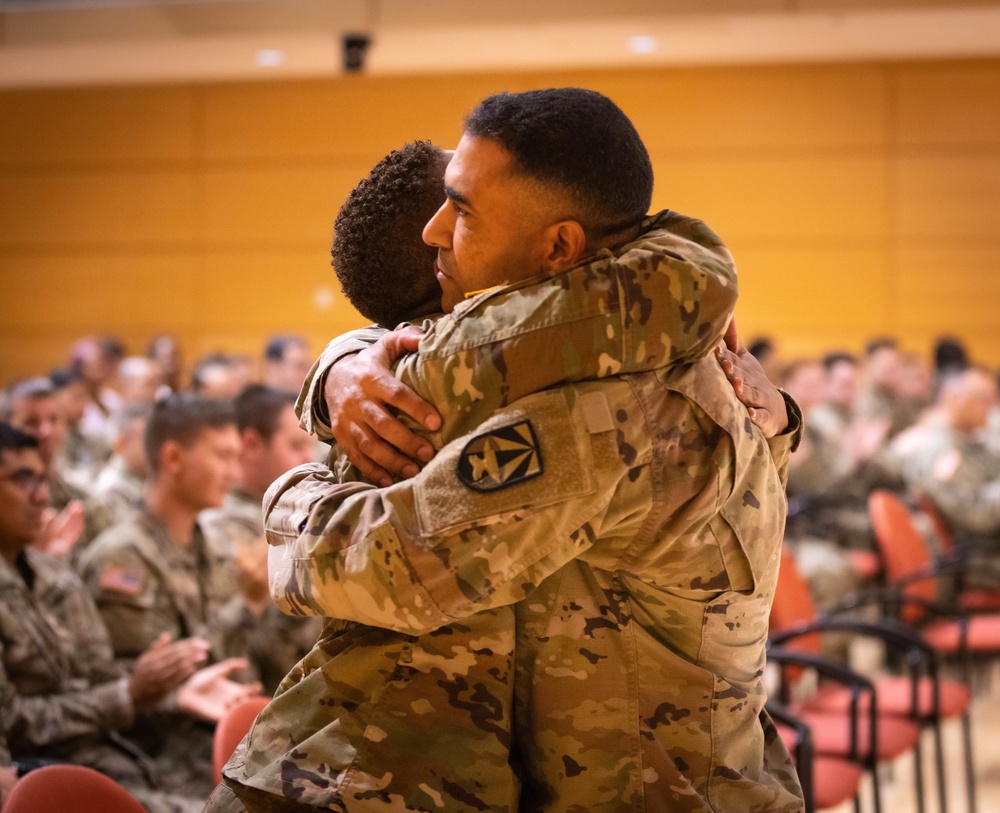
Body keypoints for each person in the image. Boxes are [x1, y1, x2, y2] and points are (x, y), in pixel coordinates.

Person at [221, 89, 802, 812]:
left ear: (558, 247)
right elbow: (454, 339)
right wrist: (341, 363)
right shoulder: (650, 334)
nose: (437, 230)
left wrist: (288, 494)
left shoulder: (605, 407)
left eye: (461, 209)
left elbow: (392, 567)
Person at [0, 423, 253, 813]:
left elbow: (101, 676)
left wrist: (168, 693)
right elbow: (13, 720)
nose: (42, 496)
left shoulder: (52, 574)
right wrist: (133, 694)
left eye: (42, 480)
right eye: (22, 480)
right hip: (55, 772)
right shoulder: (117, 556)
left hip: (124, 755)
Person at [80, 394, 259, 800]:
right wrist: (246, 606)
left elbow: (235, 658)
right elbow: (139, 694)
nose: (234, 473)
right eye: (223, 456)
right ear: (174, 458)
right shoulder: (122, 560)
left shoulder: (216, 544)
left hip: (223, 736)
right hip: (162, 759)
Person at [202, 384, 322, 695]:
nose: (309, 459)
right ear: (252, 444)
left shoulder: (293, 514)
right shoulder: (219, 531)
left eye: (311, 446)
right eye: (296, 445)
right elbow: (248, 663)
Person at [902, 366, 1000, 588]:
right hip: (979, 559)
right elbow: (974, 515)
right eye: (982, 399)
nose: (991, 407)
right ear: (953, 398)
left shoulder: (969, 442)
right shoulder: (942, 452)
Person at [0, 376, 110, 556]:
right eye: (31, 422)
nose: (46, 431)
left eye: (54, 419)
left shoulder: (82, 498)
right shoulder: (6, 499)